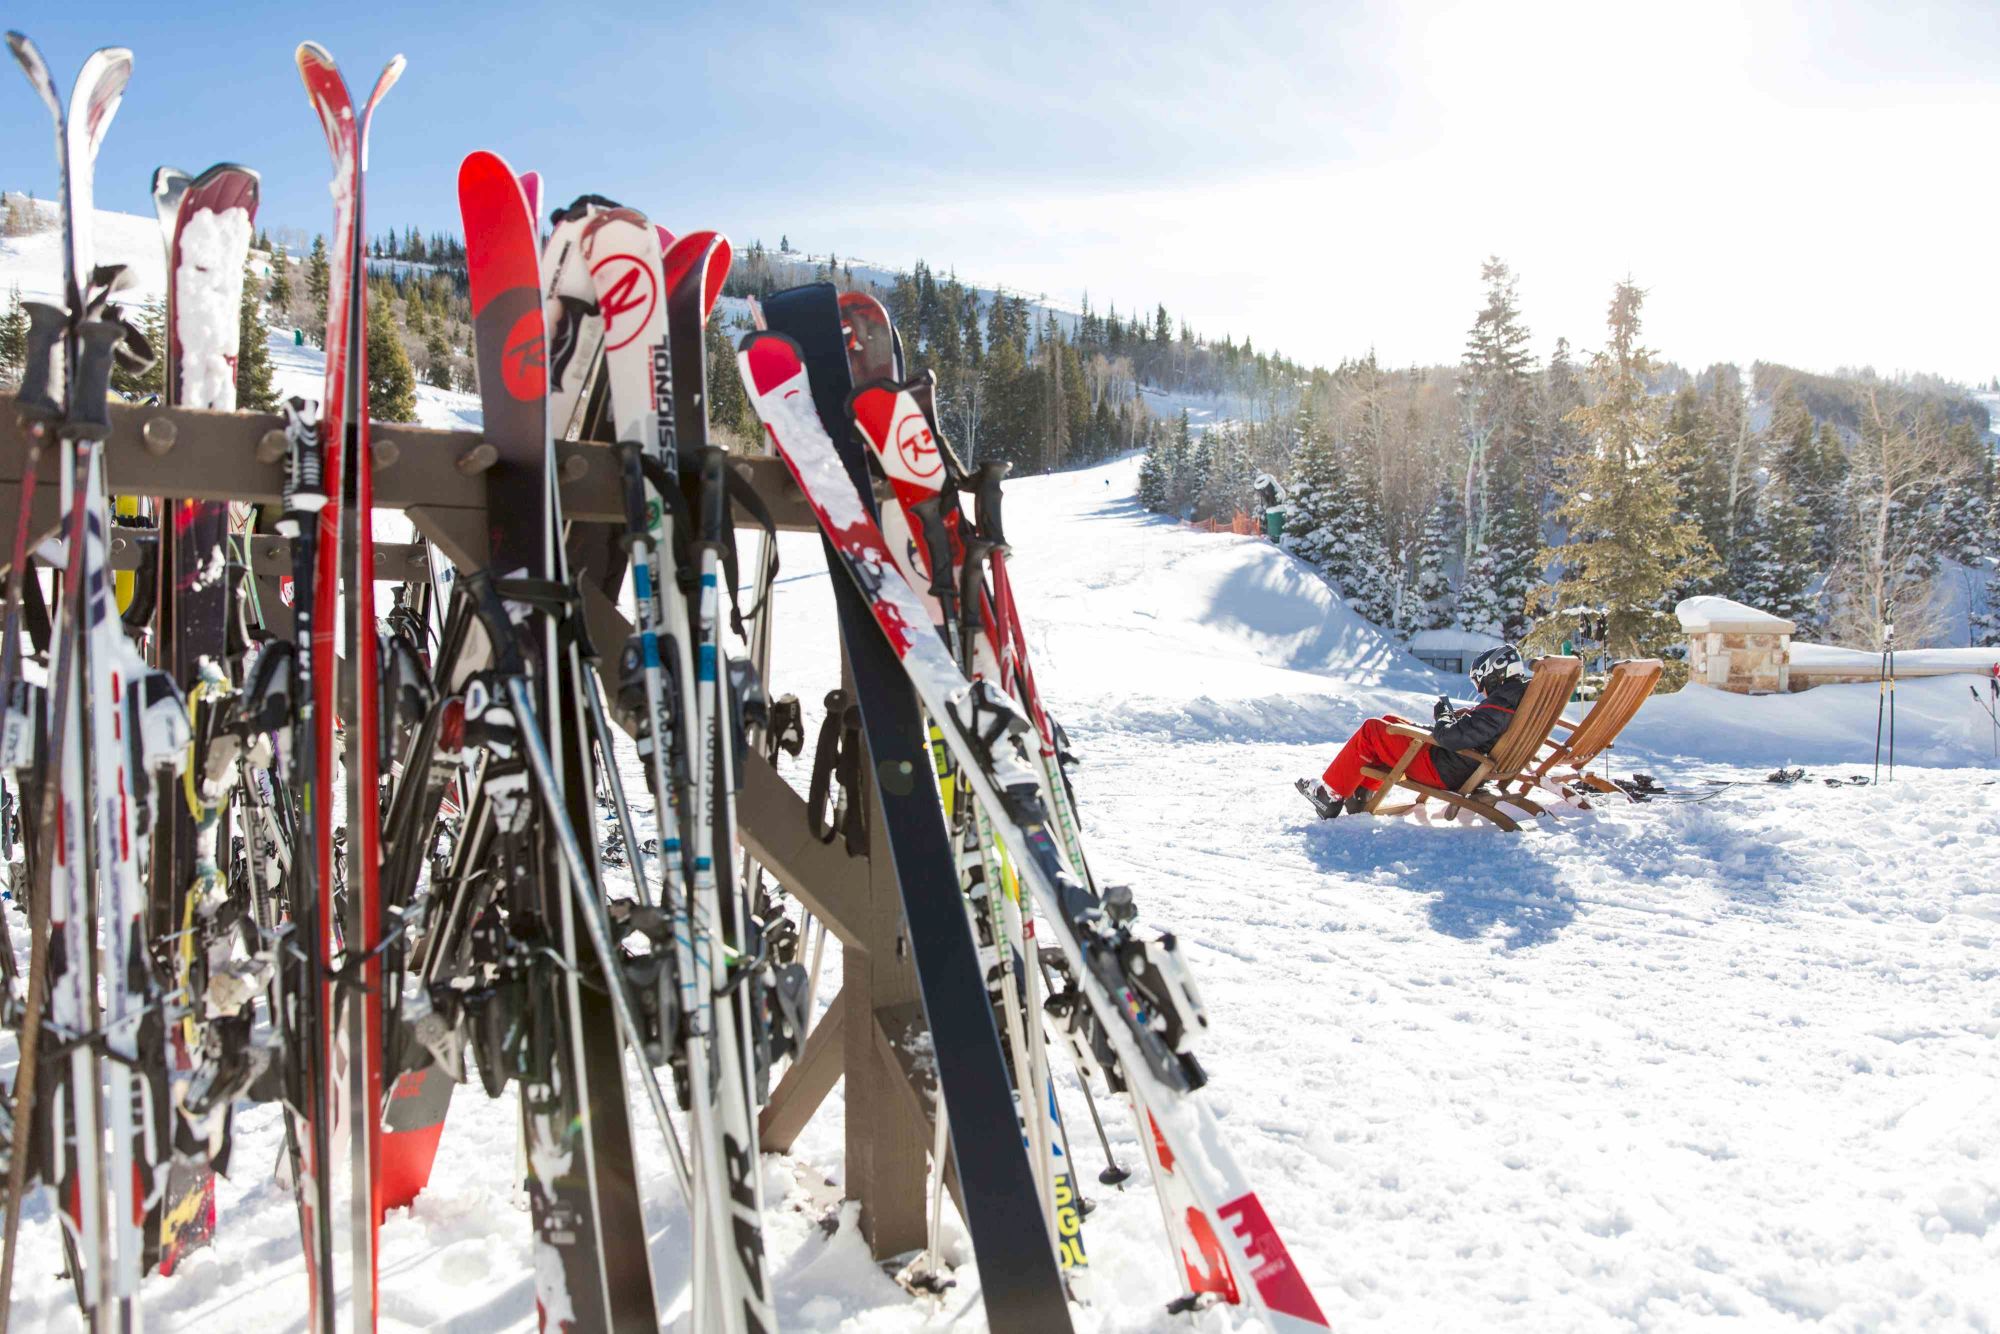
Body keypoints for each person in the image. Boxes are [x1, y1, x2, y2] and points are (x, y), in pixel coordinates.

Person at [1296, 644, 1532, 819]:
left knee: (1373, 730)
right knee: (1389, 722)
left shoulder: (1501, 703)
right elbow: (1473, 730)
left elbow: (1450, 737)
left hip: (1446, 769)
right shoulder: (1514, 698)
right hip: (1460, 763)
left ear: (1494, 674)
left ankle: (1330, 796)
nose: (1481, 691)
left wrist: (1443, 716)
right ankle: (1361, 794)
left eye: (1480, 682)